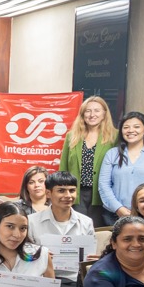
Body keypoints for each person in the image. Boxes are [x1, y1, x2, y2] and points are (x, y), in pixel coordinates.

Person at [28, 172, 96, 287]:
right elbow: (25, 257)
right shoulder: (32, 222)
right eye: (61, 191)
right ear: (49, 193)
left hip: (75, 281)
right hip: (44, 281)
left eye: (72, 190)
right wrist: (38, 256)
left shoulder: (85, 222)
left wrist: (92, 259)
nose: (68, 195)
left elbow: (89, 259)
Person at [99, 111, 144, 220]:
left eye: (136, 127)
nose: (131, 130)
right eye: (126, 127)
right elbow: (104, 185)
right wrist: (118, 208)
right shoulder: (112, 154)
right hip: (115, 215)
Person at [57, 96, 117, 226]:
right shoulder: (71, 136)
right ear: (83, 114)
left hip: (102, 194)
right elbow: (63, 168)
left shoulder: (115, 136)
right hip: (76, 193)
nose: (92, 115)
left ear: (104, 114)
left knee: (98, 231)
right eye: (88, 111)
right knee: (77, 229)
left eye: (97, 110)